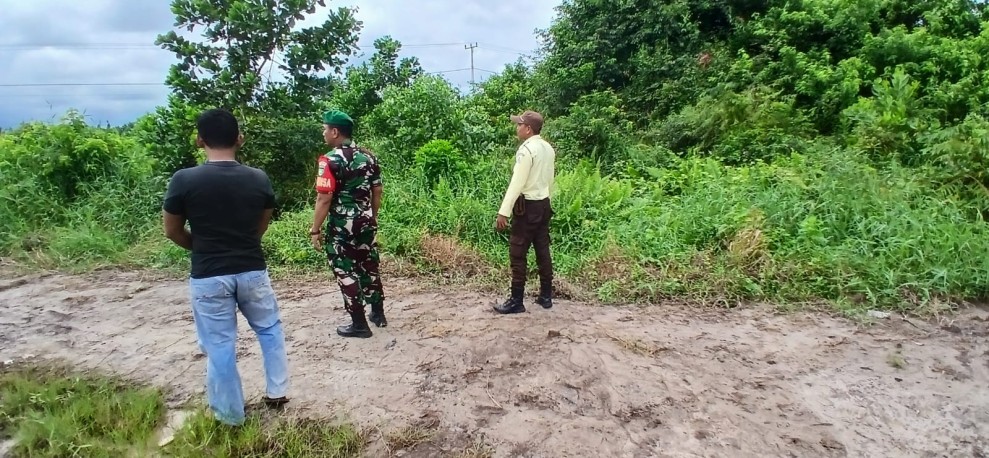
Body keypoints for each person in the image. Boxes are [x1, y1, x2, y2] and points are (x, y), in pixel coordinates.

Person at [162, 108, 290, 426]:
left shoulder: (184, 180)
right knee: (269, 328)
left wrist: (203, 247)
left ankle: (230, 416)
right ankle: (277, 391)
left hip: (209, 274)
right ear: (240, 139)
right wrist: (242, 244)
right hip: (251, 268)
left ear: (199, 140)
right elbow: (262, 224)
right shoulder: (258, 178)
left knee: (220, 343)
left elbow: (172, 230)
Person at [309, 109, 386, 338]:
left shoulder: (329, 161)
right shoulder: (369, 157)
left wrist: (315, 230)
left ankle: (359, 324)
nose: (323, 133)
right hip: (366, 219)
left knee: (344, 268)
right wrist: (372, 214)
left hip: (343, 223)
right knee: (368, 263)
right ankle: (378, 314)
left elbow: (324, 198)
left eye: (325, 129)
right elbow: (378, 190)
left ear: (335, 132)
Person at [493, 110, 556, 314]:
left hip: (527, 207)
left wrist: (504, 211)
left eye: (519, 124)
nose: (517, 127)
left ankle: (516, 300)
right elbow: (549, 180)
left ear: (528, 129)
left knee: (518, 252)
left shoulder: (526, 150)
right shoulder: (548, 148)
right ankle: (546, 295)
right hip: (544, 204)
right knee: (542, 249)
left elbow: (516, 184)